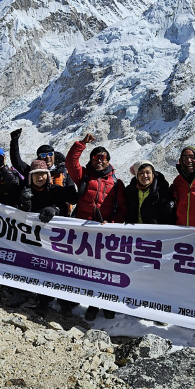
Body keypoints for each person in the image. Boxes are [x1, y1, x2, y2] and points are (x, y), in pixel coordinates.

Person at [66, 133, 126, 321]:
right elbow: (70, 162)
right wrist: (81, 144)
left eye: (103, 158)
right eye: (96, 158)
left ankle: (97, 304)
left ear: (108, 161)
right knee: (78, 266)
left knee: (102, 271)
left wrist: (112, 223)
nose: (99, 161)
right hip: (81, 230)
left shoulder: (116, 184)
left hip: (103, 233)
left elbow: (123, 209)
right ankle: (72, 299)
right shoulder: (84, 176)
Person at [18, 159, 79, 315]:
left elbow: (70, 204)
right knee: (41, 269)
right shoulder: (26, 193)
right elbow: (20, 216)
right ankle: (43, 301)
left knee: (60, 270)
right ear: (31, 177)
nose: (40, 177)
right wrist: (25, 203)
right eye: (36, 174)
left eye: (43, 174)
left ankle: (64, 302)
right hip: (35, 240)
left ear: (48, 175)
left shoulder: (56, 191)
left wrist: (55, 209)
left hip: (57, 240)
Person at [10, 128, 77, 213]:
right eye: (43, 155)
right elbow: (17, 163)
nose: (47, 157)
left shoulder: (64, 172)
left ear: (54, 155)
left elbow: (73, 196)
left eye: (50, 154)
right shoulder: (32, 171)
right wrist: (14, 142)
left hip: (60, 215)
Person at [125, 160, 176, 225]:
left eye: (148, 172)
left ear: (153, 174)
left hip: (155, 232)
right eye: (141, 173)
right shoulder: (130, 191)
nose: (145, 176)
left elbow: (169, 215)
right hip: (134, 232)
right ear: (137, 176)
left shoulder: (162, 191)